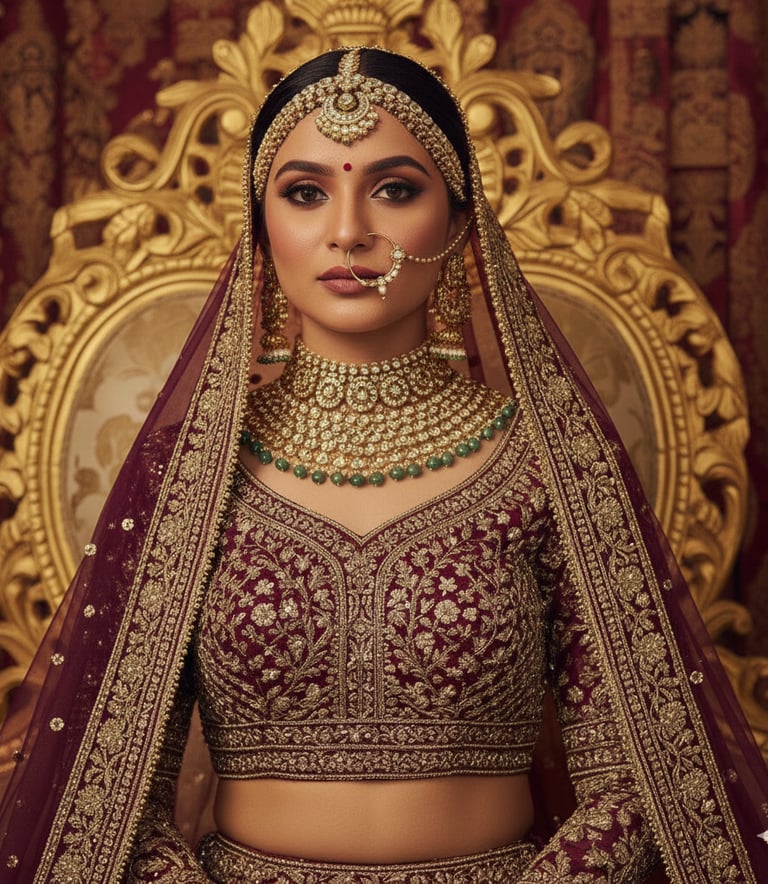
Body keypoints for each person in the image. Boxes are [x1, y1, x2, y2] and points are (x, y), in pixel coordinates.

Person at [0, 46, 766, 884]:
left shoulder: (547, 468)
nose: (348, 231)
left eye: (395, 189)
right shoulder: (189, 477)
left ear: (461, 224)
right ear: (260, 229)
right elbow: (109, 791)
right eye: (304, 193)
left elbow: (632, 781)